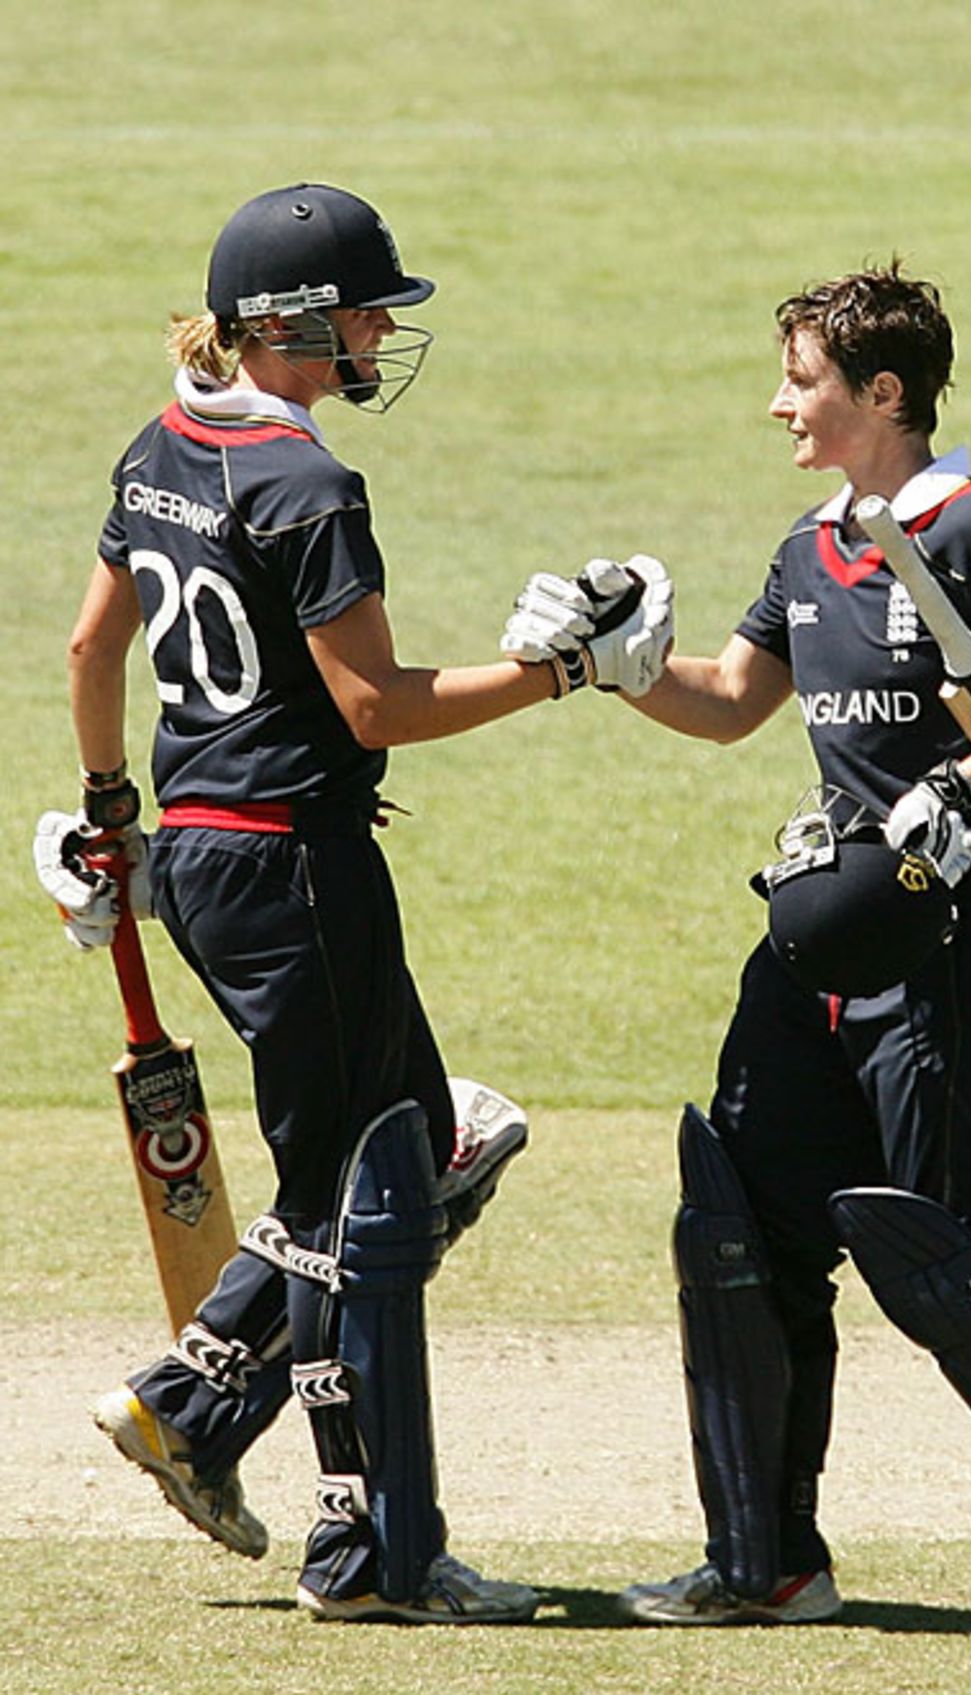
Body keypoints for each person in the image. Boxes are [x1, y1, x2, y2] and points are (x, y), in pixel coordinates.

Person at [501, 262, 971, 1636]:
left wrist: (963, 784)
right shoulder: (810, 547)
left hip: (965, 946)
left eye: (805, 379)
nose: (779, 402)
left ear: (882, 394)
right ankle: (763, 1561)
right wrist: (608, 669)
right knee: (741, 1221)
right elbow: (730, 703)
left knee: (953, 1260)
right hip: (821, 941)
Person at [32, 182, 672, 1626]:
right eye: (370, 307)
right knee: (366, 1198)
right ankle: (362, 1547)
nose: (385, 328)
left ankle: (200, 1411)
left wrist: (113, 815)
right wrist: (571, 672)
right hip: (295, 864)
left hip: (199, 859)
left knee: (402, 1157)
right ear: (296, 324)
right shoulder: (307, 485)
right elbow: (374, 708)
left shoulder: (159, 445)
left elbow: (88, 650)